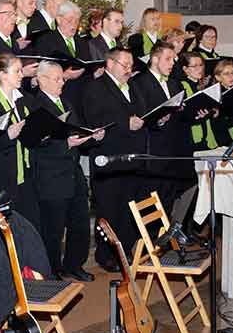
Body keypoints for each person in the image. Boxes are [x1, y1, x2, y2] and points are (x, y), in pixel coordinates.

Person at [29, 61, 102, 281]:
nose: (62, 82)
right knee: (53, 228)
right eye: (57, 78)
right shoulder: (35, 106)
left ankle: (74, 264)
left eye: (62, 77)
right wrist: (66, 145)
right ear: (41, 80)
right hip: (50, 174)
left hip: (73, 171)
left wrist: (91, 137)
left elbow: (76, 134)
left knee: (79, 223)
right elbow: (35, 144)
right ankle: (52, 270)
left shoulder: (66, 102)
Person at [84, 48, 147, 268]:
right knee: (109, 208)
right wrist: (125, 122)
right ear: (110, 64)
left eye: (131, 65)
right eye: (124, 64)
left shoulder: (134, 86)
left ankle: (124, 249)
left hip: (132, 155)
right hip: (108, 156)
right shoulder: (96, 87)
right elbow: (94, 117)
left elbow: (142, 110)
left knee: (128, 205)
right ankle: (106, 254)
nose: (129, 69)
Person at [134, 41, 203, 222]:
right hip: (153, 150)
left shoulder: (175, 84)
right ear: (155, 59)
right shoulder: (139, 83)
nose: (172, 63)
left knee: (168, 198)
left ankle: (164, 240)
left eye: (174, 59)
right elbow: (139, 117)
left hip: (174, 150)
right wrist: (158, 120)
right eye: (168, 59)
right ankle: (147, 242)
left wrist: (196, 114)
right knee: (151, 200)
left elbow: (181, 117)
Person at [0, 54, 39, 229]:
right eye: (17, 71)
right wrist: (7, 137)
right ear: (3, 75)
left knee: (28, 229)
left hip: (22, 173)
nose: (22, 75)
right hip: (0, 178)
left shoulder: (21, 99)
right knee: (3, 234)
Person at [181, 52, 218, 151]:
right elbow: (183, 117)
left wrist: (213, 111)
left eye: (201, 65)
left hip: (205, 137)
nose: (199, 69)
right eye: (194, 66)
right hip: (191, 140)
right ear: (185, 69)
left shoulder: (203, 86)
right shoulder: (182, 86)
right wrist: (198, 116)